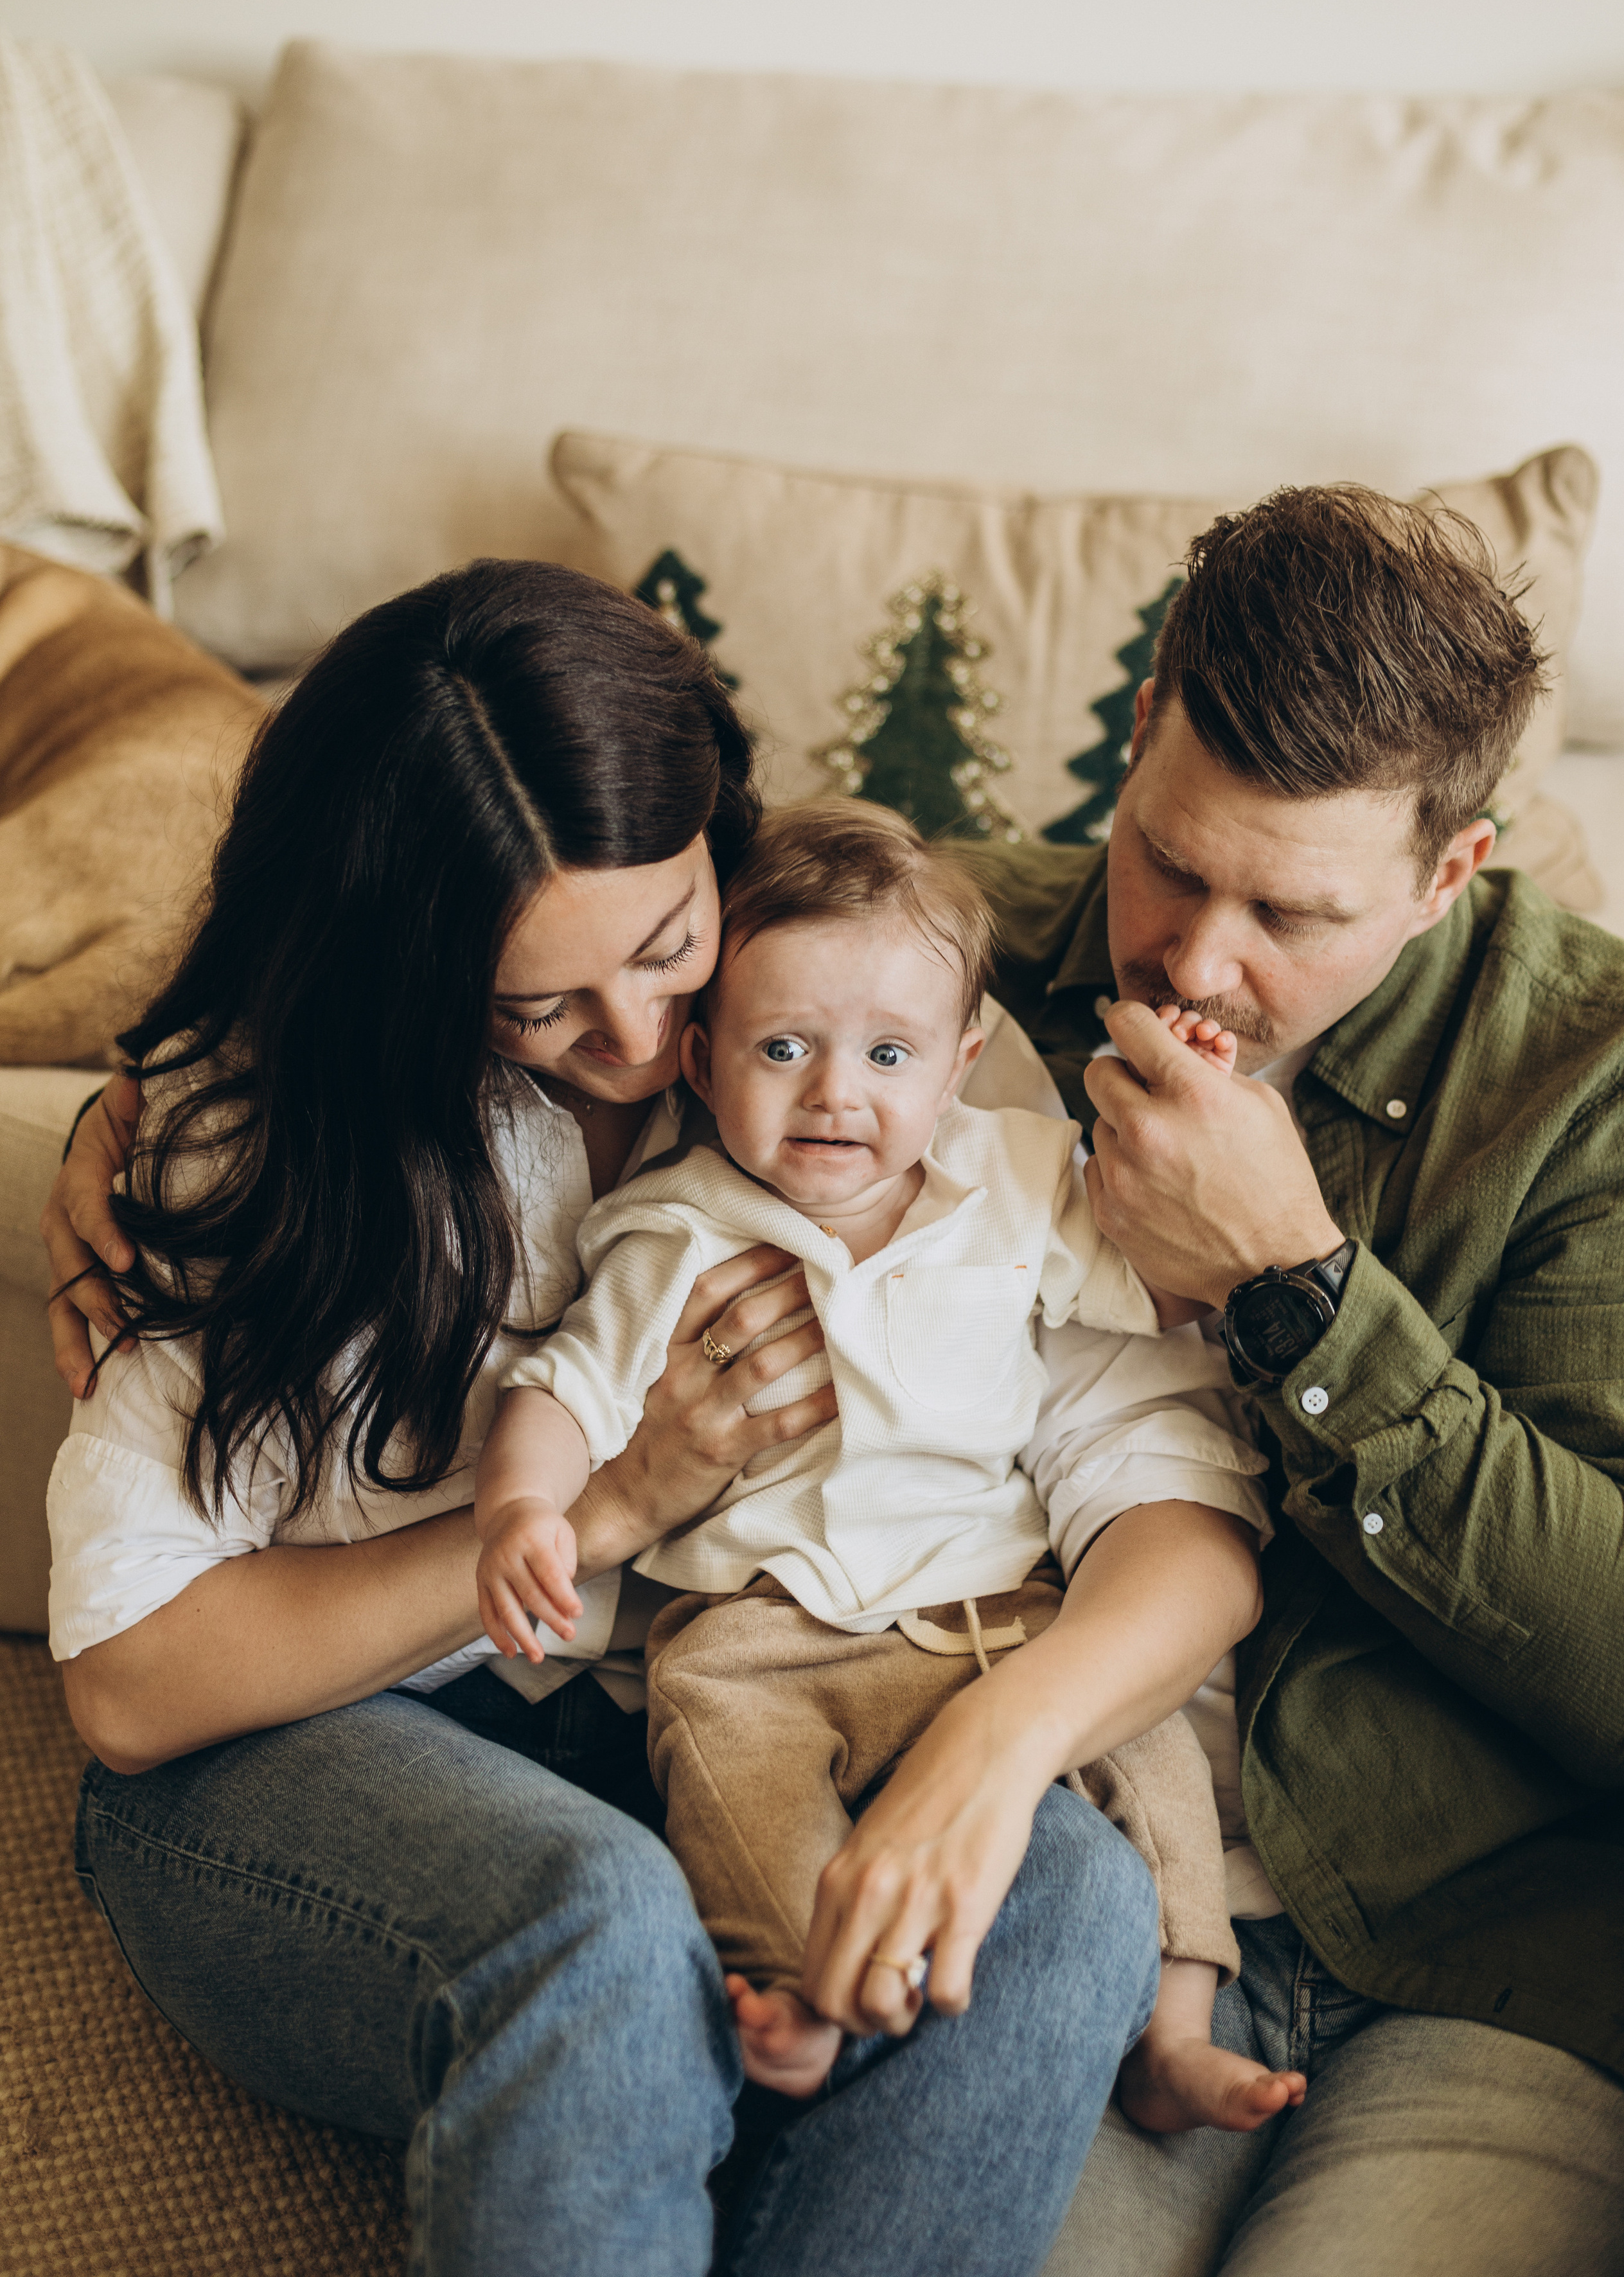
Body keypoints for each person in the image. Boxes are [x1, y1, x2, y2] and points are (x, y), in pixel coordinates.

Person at [38, 560, 1265, 2277]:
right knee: (601, 1933)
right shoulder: (263, 1143)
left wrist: (991, 1761)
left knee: (1054, 1900)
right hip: (292, 1760)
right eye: (536, 1005)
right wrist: (610, 1500)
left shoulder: (874, 1016)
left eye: (670, 948)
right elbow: (129, 1685)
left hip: (679, 1723)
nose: (637, 1040)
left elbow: (1144, 1464)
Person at [962, 488, 1624, 2277]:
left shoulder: (1604, 1089)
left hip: (1494, 1969)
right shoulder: (930, 966)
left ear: (1450, 875)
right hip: (1099, 1907)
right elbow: (541, 950)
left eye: (1293, 911)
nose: (1197, 962)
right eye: (1172, 861)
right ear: (1133, 742)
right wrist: (158, 1127)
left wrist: (1302, 1296)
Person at [476, 797, 1291, 2128]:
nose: (834, 1093)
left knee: (1148, 1737)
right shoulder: (676, 1226)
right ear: (699, 1061)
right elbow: (560, 1385)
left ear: (962, 1061)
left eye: (888, 1053)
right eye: (782, 1047)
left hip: (1003, 1620)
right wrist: (523, 1505)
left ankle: (1173, 2025)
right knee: (724, 1769)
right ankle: (788, 1986)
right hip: (758, 1630)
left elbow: (1171, 1287)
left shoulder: (1019, 1182)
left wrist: (1194, 1101)